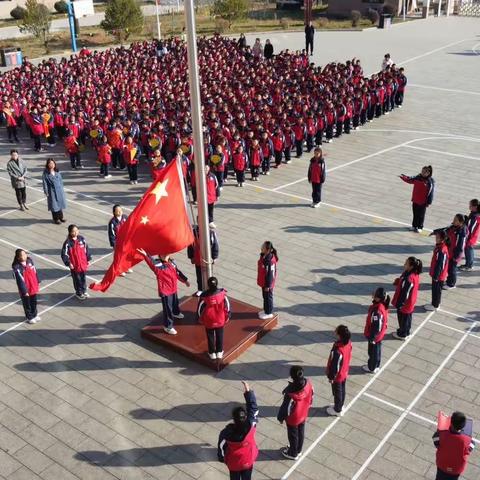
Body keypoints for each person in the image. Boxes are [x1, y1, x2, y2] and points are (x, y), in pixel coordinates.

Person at [136, 248, 190, 335]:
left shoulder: (171, 263)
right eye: (163, 254)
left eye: (167, 253)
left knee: (175, 302)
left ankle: (176, 312)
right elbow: (151, 262)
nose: (165, 255)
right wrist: (145, 255)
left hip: (173, 288)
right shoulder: (157, 265)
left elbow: (178, 273)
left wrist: (185, 280)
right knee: (168, 309)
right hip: (165, 291)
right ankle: (168, 326)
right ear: (159, 255)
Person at [218, 381, 259, 480]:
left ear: (234, 419)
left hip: (234, 463)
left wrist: (222, 458)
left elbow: (221, 447)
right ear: (245, 417)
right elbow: (254, 409)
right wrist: (248, 392)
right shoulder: (251, 425)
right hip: (248, 460)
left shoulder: (226, 433)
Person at [277, 366, 314, 460]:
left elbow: (285, 408)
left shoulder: (291, 394)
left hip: (293, 418)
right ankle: (299, 449)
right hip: (303, 412)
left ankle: (293, 453)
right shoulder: (308, 383)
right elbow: (312, 395)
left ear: (292, 376)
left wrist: (280, 417)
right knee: (301, 431)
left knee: (293, 435)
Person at [433, 411, 474, 480]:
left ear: (450, 423)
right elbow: (470, 448)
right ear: (463, 426)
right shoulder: (467, 440)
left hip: (442, 466)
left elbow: (436, 442)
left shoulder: (441, 435)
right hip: (456, 469)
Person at [197, 276, 231, 360]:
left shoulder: (204, 296)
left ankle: (212, 353)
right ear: (217, 284)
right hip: (220, 319)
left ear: (208, 285)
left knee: (210, 336)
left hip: (209, 321)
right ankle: (219, 352)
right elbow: (228, 306)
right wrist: (228, 316)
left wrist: (200, 318)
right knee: (220, 335)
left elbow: (199, 310)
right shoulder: (222, 294)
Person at [392, 257, 422, 340]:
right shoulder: (412, 274)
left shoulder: (409, 278)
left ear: (411, 266)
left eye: (406, 263)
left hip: (405, 303)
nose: (404, 264)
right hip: (410, 302)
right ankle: (406, 331)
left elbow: (406, 292)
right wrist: (399, 281)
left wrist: (401, 304)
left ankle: (403, 334)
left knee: (403, 319)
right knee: (407, 318)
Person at [326, 325, 352, 416]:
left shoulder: (337, 350)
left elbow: (335, 365)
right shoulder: (348, 343)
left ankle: (337, 409)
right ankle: (340, 405)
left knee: (337, 391)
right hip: (344, 370)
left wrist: (331, 376)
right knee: (342, 388)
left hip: (338, 375)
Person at [399, 166, 435, 233]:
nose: (423, 173)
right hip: (415, 199)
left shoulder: (430, 182)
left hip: (423, 202)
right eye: (422, 171)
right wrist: (403, 177)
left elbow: (431, 193)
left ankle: (420, 227)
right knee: (415, 213)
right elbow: (409, 179)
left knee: (421, 215)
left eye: (424, 172)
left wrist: (428, 202)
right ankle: (414, 226)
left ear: (428, 173)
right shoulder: (417, 177)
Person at [61, 224, 91, 300]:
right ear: (70, 232)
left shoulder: (82, 239)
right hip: (75, 265)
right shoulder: (68, 243)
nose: (75, 232)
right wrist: (68, 263)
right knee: (77, 279)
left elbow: (86, 250)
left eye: (76, 230)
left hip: (83, 264)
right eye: (73, 231)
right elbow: (64, 254)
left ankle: (84, 291)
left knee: (83, 278)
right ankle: (79, 292)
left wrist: (88, 259)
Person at [187, 224, 219, 295]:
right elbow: (190, 245)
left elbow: (215, 245)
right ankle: (200, 291)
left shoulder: (211, 233)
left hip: (208, 261)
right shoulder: (194, 232)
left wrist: (214, 257)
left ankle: (210, 291)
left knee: (209, 277)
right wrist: (191, 256)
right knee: (199, 278)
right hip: (198, 260)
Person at [363, 288, 389, 373]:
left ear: (378, 298)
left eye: (375, 294)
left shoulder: (377, 311)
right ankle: (376, 365)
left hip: (375, 336)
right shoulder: (382, 305)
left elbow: (376, 326)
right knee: (377, 350)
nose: (373, 295)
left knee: (373, 352)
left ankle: (372, 367)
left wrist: (372, 338)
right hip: (379, 335)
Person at [12, 249, 40, 324]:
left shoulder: (29, 261)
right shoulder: (17, 268)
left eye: (25, 254)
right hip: (25, 289)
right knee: (27, 304)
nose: (25, 256)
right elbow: (19, 281)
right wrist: (24, 291)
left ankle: (35, 314)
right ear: (18, 258)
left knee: (34, 302)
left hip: (32, 286)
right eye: (22, 255)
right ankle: (29, 317)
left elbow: (35, 271)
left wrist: (37, 281)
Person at [441, 215, 468, 290]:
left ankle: (451, 284)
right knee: (449, 268)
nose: (453, 221)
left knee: (452, 269)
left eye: (455, 220)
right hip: (450, 252)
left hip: (454, 255)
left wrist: (456, 257)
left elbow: (461, 246)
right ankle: (449, 281)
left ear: (461, 222)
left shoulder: (461, 232)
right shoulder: (454, 227)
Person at [425, 230, 449, 311]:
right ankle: (435, 303)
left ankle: (435, 305)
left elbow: (440, 265)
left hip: (438, 276)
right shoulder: (440, 247)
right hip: (437, 274)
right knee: (435, 290)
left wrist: (436, 276)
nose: (436, 238)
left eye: (438, 237)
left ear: (442, 239)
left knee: (436, 290)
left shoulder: (441, 250)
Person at [108, 204, 132, 277]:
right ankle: (119, 270)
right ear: (114, 212)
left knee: (127, 255)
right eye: (117, 211)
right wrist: (114, 244)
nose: (119, 212)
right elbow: (111, 234)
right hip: (118, 243)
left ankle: (126, 267)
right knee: (119, 257)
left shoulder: (125, 217)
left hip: (126, 241)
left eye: (120, 210)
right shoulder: (112, 222)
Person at [257, 241, 278, 320]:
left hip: (267, 283)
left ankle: (269, 312)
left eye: (263, 247)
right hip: (264, 281)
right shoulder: (264, 256)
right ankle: (266, 310)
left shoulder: (269, 261)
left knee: (268, 297)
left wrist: (268, 285)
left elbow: (270, 274)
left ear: (268, 250)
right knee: (264, 296)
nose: (261, 247)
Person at [42, 158, 67, 224]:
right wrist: (46, 192)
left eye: (53, 163)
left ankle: (61, 217)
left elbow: (61, 181)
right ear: (47, 165)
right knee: (54, 205)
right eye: (50, 163)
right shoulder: (45, 173)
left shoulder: (57, 171)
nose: (52, 165)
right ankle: (56, 219)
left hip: (59, 190)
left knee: (60, 204)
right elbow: (45, 183)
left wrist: (62, 189)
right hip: (51, 191)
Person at [460, 199, 479, 272]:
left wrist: (467, 237)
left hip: (470, 238)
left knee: (469, 251)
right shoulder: (474, 213)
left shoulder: (475, 217)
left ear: (475, 207)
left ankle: (469, 265)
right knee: (468, 250)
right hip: (471, 237)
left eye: (470, 205)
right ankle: (468, 264)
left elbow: (471, 229)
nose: (469, 207)